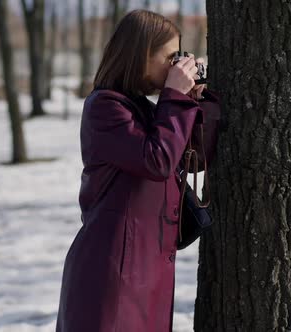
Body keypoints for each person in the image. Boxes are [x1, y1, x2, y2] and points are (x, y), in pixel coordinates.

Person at [56, 9, 221, 332]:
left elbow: (195, 157)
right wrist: (174, 97)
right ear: (141, 55)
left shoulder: (146, 109)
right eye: (171, 56)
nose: (178, 65)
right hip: (113, 275)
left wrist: (197, 101)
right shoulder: (104, 108)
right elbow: (157, 160)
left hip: (148, 268)